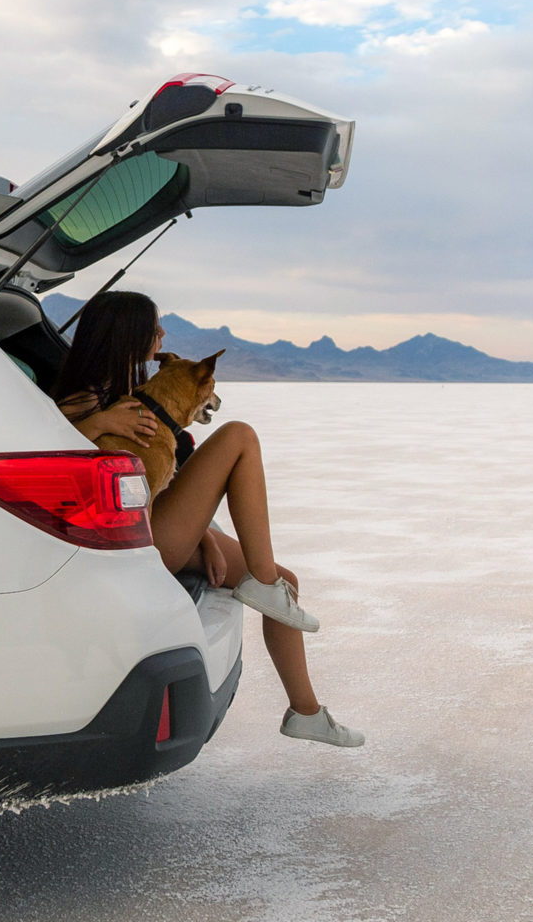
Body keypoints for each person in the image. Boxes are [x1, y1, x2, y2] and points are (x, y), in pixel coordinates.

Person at [54, 291, 364, 747]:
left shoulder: (128, 392)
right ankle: (262, 583)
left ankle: (306, 711)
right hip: (141, 545)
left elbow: (151, 490)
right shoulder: (85, 397)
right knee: (239, 436)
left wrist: (203, 537)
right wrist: (96, 426)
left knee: (287, 581)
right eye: (154, 328)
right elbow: (51, 459)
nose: (162, 336)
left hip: (158, 528)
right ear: (128, 333)